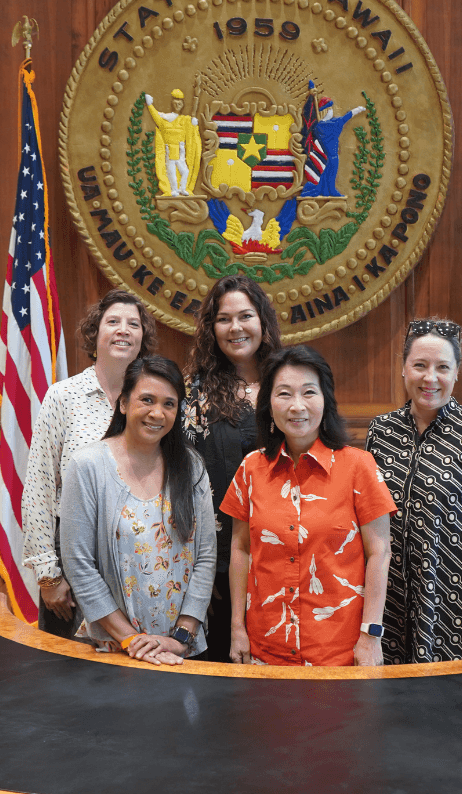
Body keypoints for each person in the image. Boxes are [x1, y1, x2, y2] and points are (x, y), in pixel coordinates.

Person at [222, 346, 395, 666]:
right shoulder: (250, 469)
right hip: (266, 649)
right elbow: (240, 549)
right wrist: (237, 629)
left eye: (309, 392)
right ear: (268, 404)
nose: (297, 405)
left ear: (326, 399)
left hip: (339, 652)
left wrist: (371, 636)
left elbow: (380, 552)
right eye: (284, 394)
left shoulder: (360, 467)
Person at [365, 318, 462, 663]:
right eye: (419, 365)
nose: (430, 378)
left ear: (456, 374)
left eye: (442, 367)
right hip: (391, 609)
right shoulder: (381, 431)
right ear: (404, 368)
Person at [59, 355, 215, 664]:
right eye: (147, 400)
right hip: (114, 649)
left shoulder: (191, 465)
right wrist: (131, 639)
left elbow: (205, 556)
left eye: (169, 404)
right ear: (123, 404)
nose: (157, 413)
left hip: (181, 649)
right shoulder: (88, 465)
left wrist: (181, 638)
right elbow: (78, 564)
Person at [21, 289, 157, 637]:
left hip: (139, 561)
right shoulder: (63, 397)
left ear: (143, 338)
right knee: (72, 679)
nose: (124, 329)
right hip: (71, 560)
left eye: (133, 324)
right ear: (95, 333)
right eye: (113, 321)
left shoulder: (154, 402)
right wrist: (50, 576)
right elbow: (38, 485)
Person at [181, 274, 282, 662]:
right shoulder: (194, 392)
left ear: (263, 322)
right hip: (218, 564)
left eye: (246, 316)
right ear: (211, 328)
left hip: (287, 556)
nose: (236, 328)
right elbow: (180, 481)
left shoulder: (289, 383)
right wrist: (196, 568)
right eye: (224, 319)